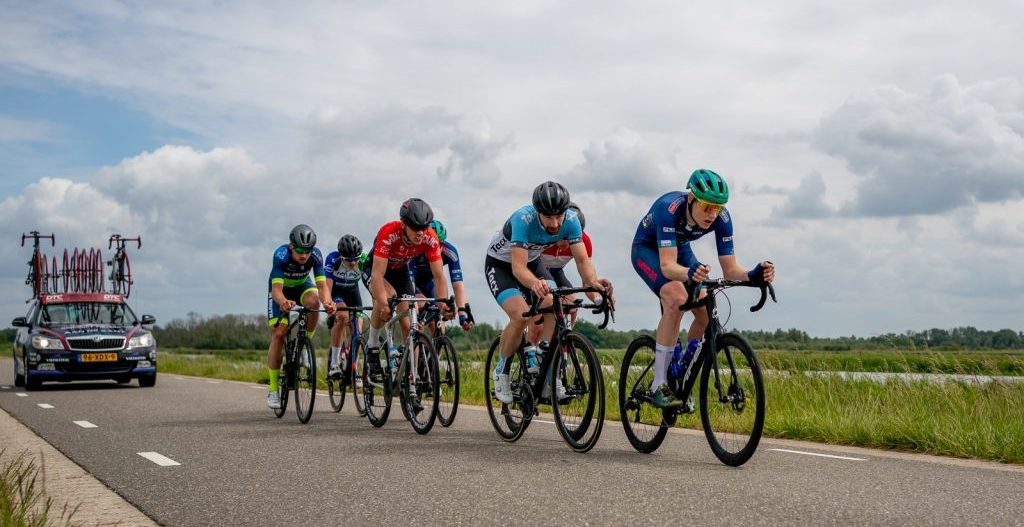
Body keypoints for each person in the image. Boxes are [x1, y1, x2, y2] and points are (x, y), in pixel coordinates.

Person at [631, 169, 775, 409]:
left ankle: (684, 372)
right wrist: (689, 273)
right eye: (707, 206)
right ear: (692, 199)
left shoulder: (722, 218)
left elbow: (730, 270)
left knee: (706, 312)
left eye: (717, 207)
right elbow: (667, 266)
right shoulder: (669, 209)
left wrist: (754, 274)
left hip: (681, 247)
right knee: (677, 298)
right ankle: (659, 384)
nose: (712, 213)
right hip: (648, 250)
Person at [484, 181, 613, 404]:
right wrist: (534, 283)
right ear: (537, 212)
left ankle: (544, 363)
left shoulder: (571, 221)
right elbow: (518, 268)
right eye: (548, 217)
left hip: (532, 262)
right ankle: (501, 370)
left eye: (559, 216)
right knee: (520, 315)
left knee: (557, 303)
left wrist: (594, 283)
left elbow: (583, 261)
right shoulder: (522, 219)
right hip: (502, 265)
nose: (555, 224)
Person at [361, 199, 451, 385]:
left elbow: (439, 276)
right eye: (415, 227)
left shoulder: (430, 237)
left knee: (409, 322)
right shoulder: (388, 232)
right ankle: (373, 345)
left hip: (400, 271)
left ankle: (413, 378)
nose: (420, 233)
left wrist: (443, 304)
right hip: (376, 270)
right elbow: (377, 276)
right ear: (403, 224)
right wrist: (384, 305)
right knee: (386, 297)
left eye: (424, 227)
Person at [266, 224, 336, 409]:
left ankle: (305, 345)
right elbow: (277, 291)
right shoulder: (281, 256)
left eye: (307, 250)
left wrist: (328, 302)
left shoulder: (315, 256)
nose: (304, 255)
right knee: (279, 334)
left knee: (315, 303)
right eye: (299, 250)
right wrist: (284, 302)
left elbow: (322, 288)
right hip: (281, 290)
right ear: (291, 246)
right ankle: (273, 388)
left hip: (302, 285)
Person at [526, 202, 597, 356]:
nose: (564, 244)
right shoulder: (543, 237)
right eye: (562, 238)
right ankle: (530, 354)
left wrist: (598, 298)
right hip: (534, 273)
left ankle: (563, 342)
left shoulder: (584, 242)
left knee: (571, 304)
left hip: (556, 273)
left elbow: (587, 281)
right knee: (538, 322)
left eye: (569, 240)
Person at [408, 219, 474, 335]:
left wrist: (462, 313)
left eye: (441, 244)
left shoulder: (450, 252)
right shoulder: (415, 250)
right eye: (435, 243)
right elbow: (410, 286)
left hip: (430, 284)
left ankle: (434, 352)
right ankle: (417, 345)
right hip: (413, 282)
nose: (437, 247)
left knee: (439, 320)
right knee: (421, 308)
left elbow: (458, 285)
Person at [323, 234, 368, 378]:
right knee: (342, 316)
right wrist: (329, 304)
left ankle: (353, 367)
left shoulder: (363, 259)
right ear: (342, 257)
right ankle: (334, 363)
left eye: (356, 259)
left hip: (353, 293)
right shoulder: (333, 259)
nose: (353, 263)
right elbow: (327, 287)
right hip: (337, 292)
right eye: (349, 260)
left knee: (358, 331)